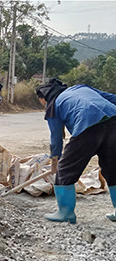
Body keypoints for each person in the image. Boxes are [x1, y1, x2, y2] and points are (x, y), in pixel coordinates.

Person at [36, 79, 116, 224]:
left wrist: (56, 160)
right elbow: (113, 99)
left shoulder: (52, 105)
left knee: (65, 169)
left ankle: (65, 212)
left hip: (88, 125)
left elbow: (56, 138)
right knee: (113, 168)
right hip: (113, 121)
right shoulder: (81, 87)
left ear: (44, 98)